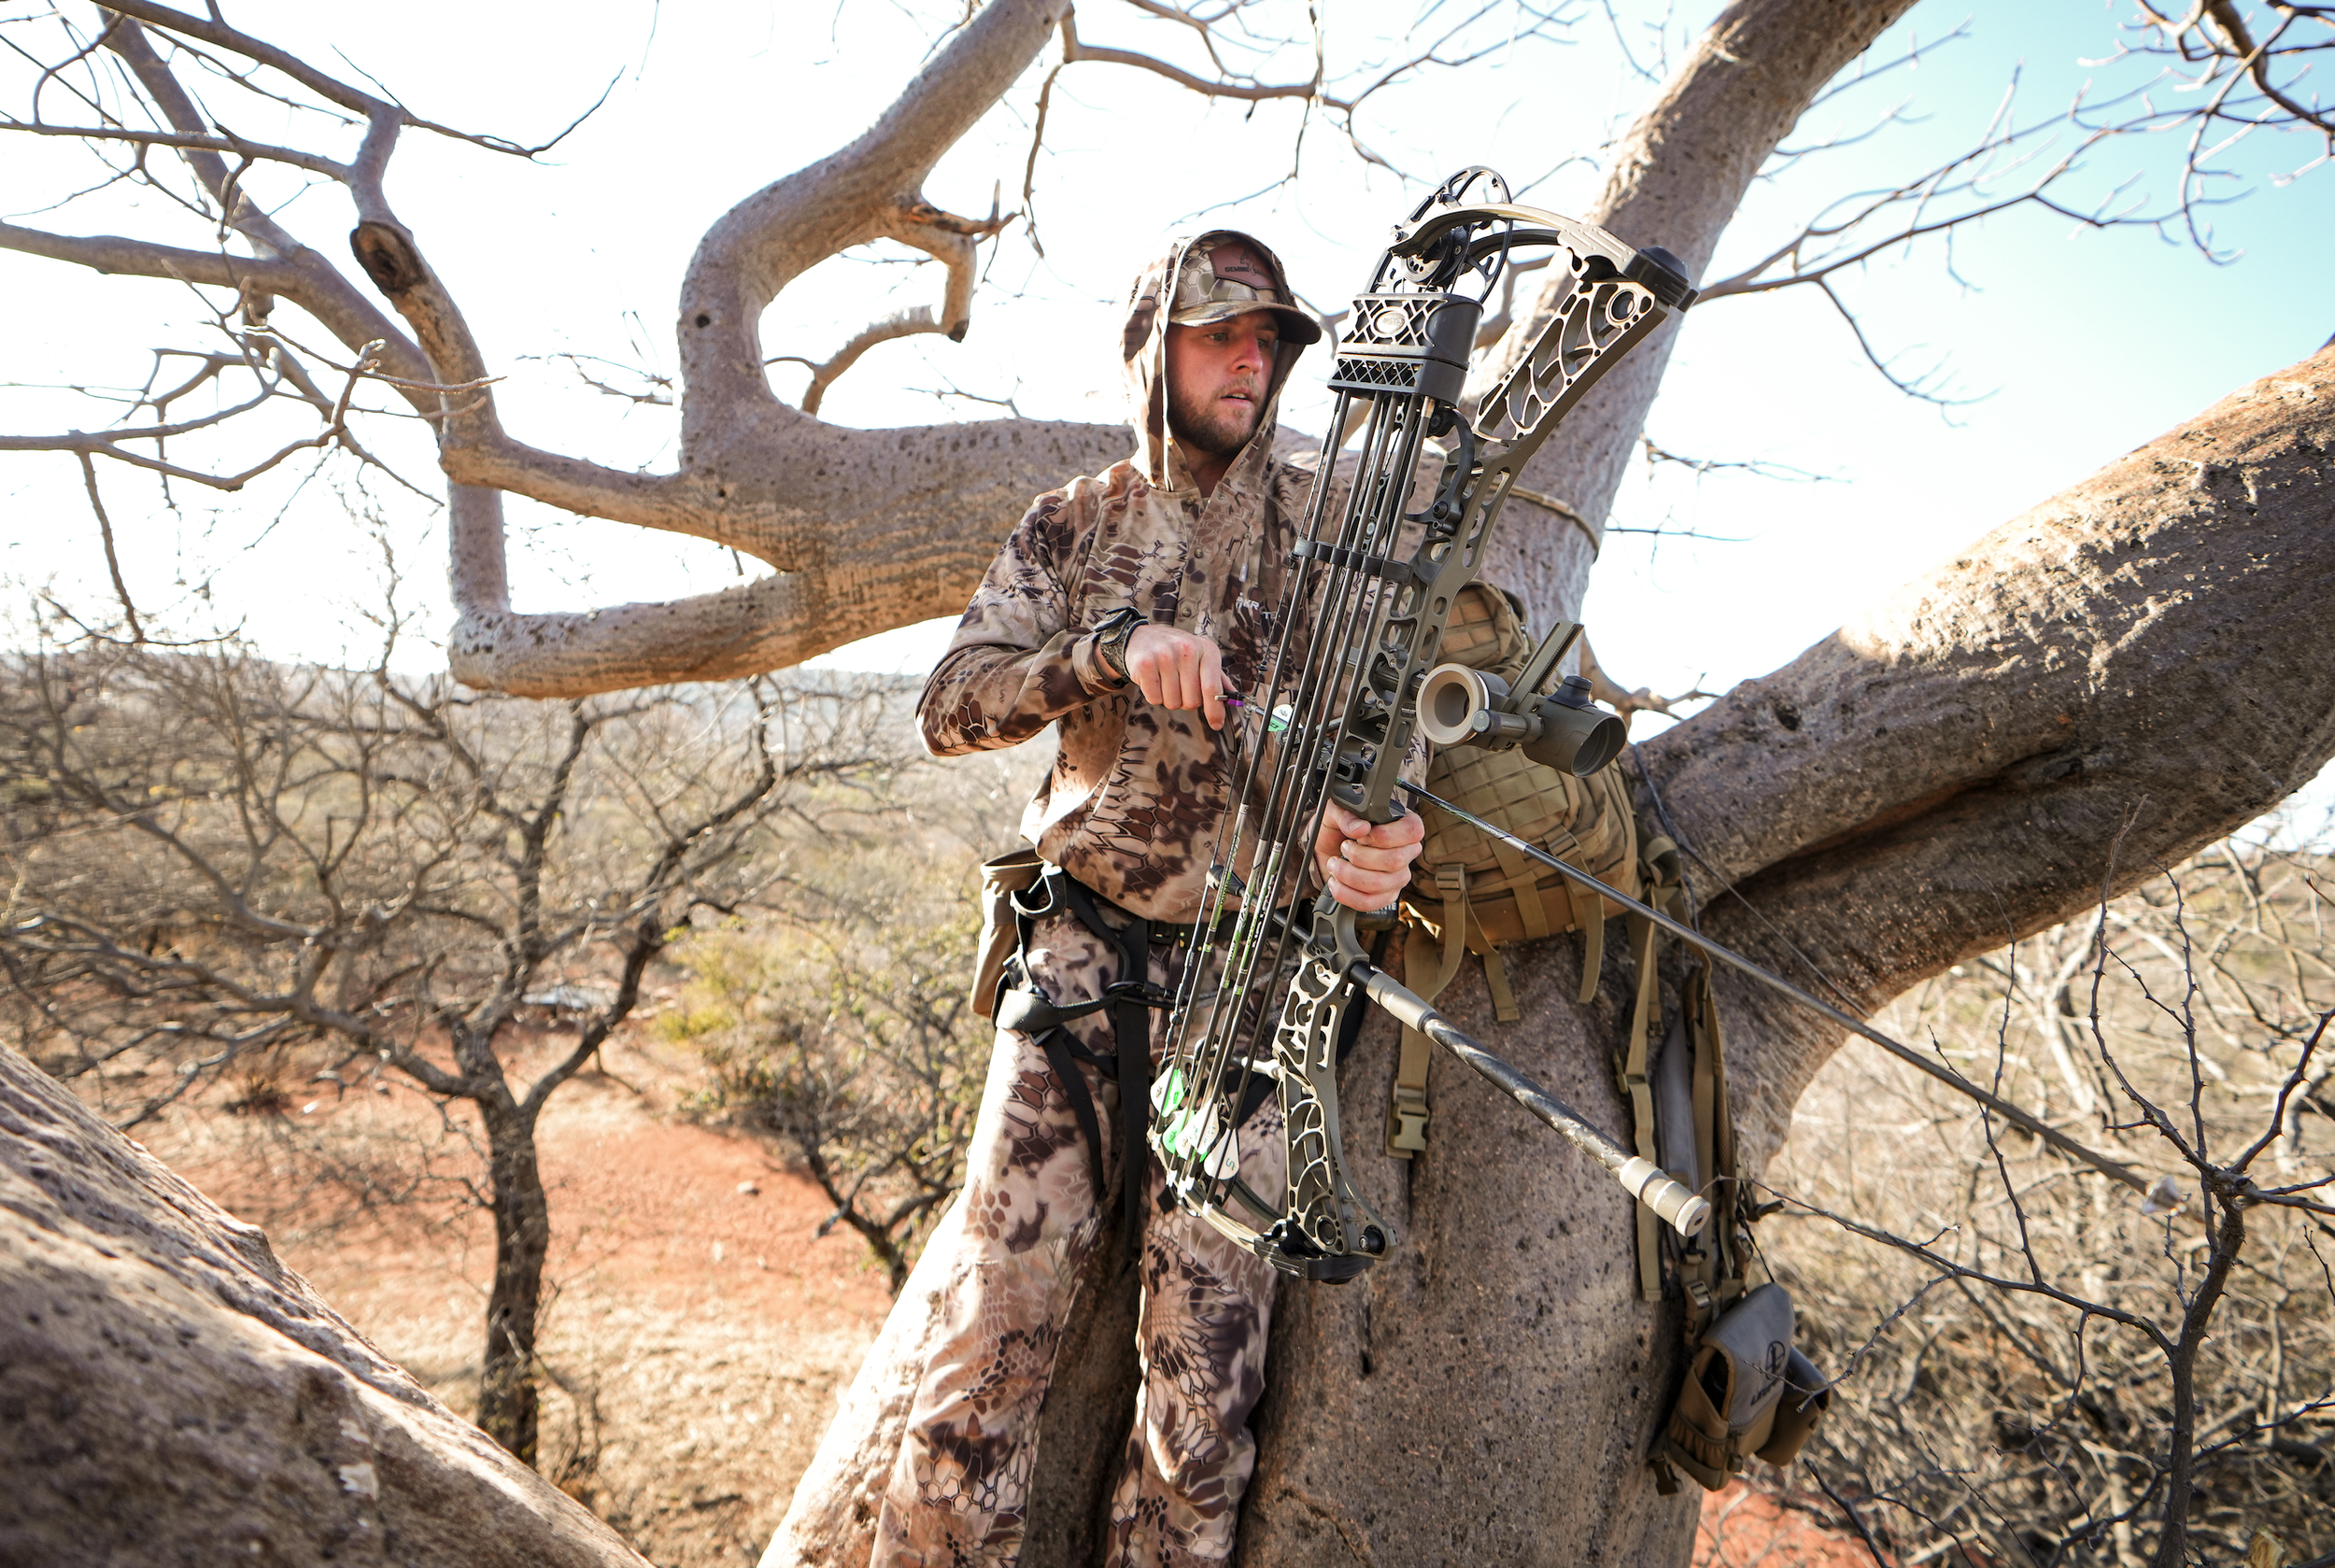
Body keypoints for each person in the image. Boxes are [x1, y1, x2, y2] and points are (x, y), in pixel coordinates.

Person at [883, 233, 1425, 1567]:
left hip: (1251, 1000)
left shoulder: (1335, 534)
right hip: (1074, 968)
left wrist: (1386, 840)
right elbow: (949, 706)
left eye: (1269, 338)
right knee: (982, 1349)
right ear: (1152, 351)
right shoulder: (1075, 521)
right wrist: (1107, 653)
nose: (1250, 358)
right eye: (1217, 331)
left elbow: (1389, 749)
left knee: (1202, 1418)